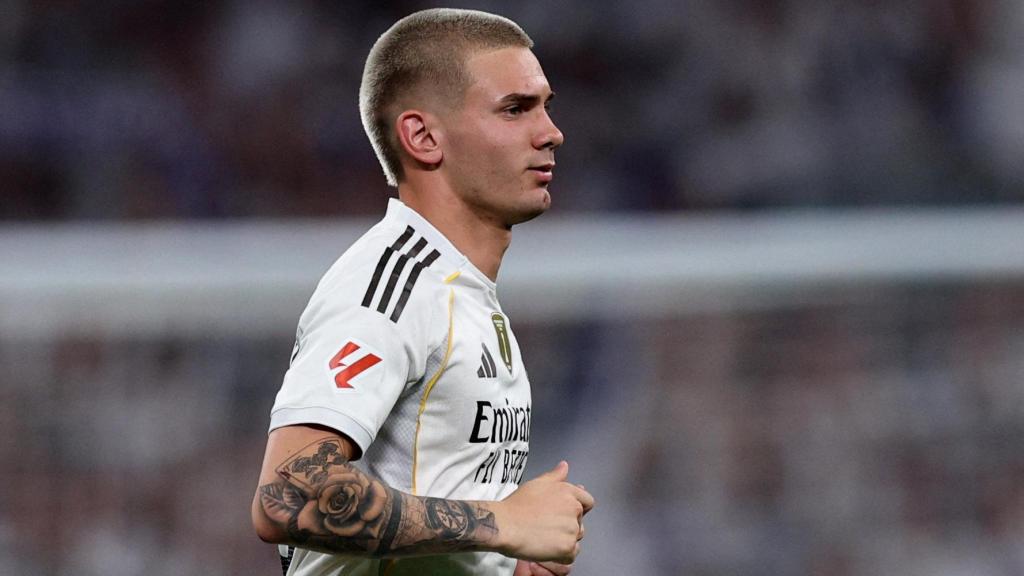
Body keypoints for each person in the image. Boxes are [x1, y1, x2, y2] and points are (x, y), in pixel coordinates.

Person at [251, 8, 594, 576]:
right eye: (515, 109)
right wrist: (503, 525)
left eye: (546, 107)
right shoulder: (391, 284)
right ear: (423, 137)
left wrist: (495, 561)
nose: (551, 132)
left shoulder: (461, 292)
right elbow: (285, 496)